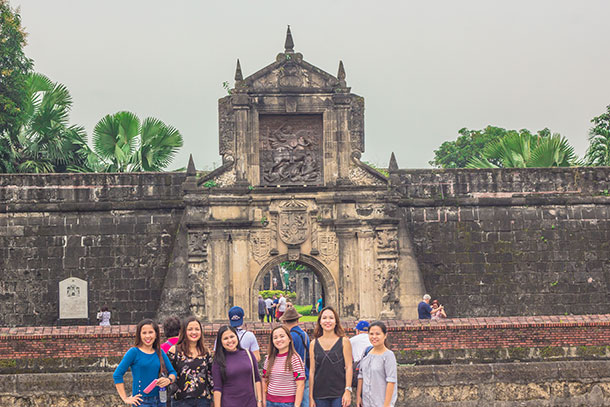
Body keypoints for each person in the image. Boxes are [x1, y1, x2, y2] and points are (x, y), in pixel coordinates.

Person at [113, 319, 177, 407]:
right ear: (139, 335)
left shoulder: (160, 352)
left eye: (151, 332)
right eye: (144, 333)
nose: (147, 336)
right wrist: (125, 398)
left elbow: (173, 372)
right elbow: (117, 375)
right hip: (141, 401)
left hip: (160, 399)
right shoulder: (134, 352)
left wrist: (168, 380)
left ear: (156, 334)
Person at [309, 306, 353, 407]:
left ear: (336, 321)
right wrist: (310, 396)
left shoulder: (344, 341)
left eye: (331, 318)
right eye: (324, 318)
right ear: (320, 322)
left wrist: (348, 390)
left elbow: (349, 367)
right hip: (319, 395)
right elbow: (312, 371)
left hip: (339, 394)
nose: (328, 321)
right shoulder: (313, 344)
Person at [212, 325, 263, 407]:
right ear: (220, 342)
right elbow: (217, 388)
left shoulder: (248, 354)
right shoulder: (218, 361)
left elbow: (257, 378)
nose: (230, 340)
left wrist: (259, 401)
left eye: (232, 336)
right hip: (229, 403)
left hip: (250, 402)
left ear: (237, 337)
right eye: (225, 338)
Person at [168, 316, 213, 407]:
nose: (194, 332)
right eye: (190, 329)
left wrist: (214, 397)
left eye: (197, 329)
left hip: (203, 401)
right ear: (184, 331)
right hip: (181, 401)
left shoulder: (206, 352)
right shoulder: (174, 351)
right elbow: (166, 373)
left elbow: (211, 377)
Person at [262, 326, 306, 407]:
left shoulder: (295, 359)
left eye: (282, 336)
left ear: (289, 339)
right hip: (270, 402)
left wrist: (296, 405)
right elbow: (264, 380)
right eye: (275, 338)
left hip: (288, 403)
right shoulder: (269, 359)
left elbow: (300, 384)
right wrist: (263, 400)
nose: (278, 340)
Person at [356, 321, 397, 407]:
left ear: (385, 335)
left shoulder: (388, 355)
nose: (374, 337)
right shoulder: (366, 351)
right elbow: (361, 376)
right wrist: (358, 397)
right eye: (371, 334)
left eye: (377, 334)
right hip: (366, 402)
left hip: (381, 402)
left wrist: (386, 405)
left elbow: (391, 381)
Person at [281, 306, 310, 407]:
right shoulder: (305, 335)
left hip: (290, 377)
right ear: (297, 320)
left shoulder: (287, 338)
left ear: (284, 321)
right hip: (304, 373)